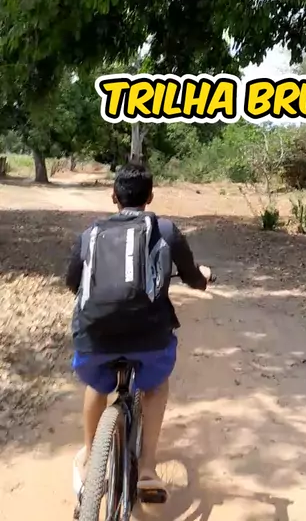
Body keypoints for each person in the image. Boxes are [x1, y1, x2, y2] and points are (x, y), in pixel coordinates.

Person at [66, 162, 212, 501]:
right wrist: (204, 277)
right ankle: (147, 470)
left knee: (96, 385)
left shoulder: (90, 234)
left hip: (94, 337)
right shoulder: (165, 230)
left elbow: (73, 282)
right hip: (150, 339)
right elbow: (193, 278)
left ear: (113, 196)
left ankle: (90, 458)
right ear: (150, 197)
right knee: (156, 387)